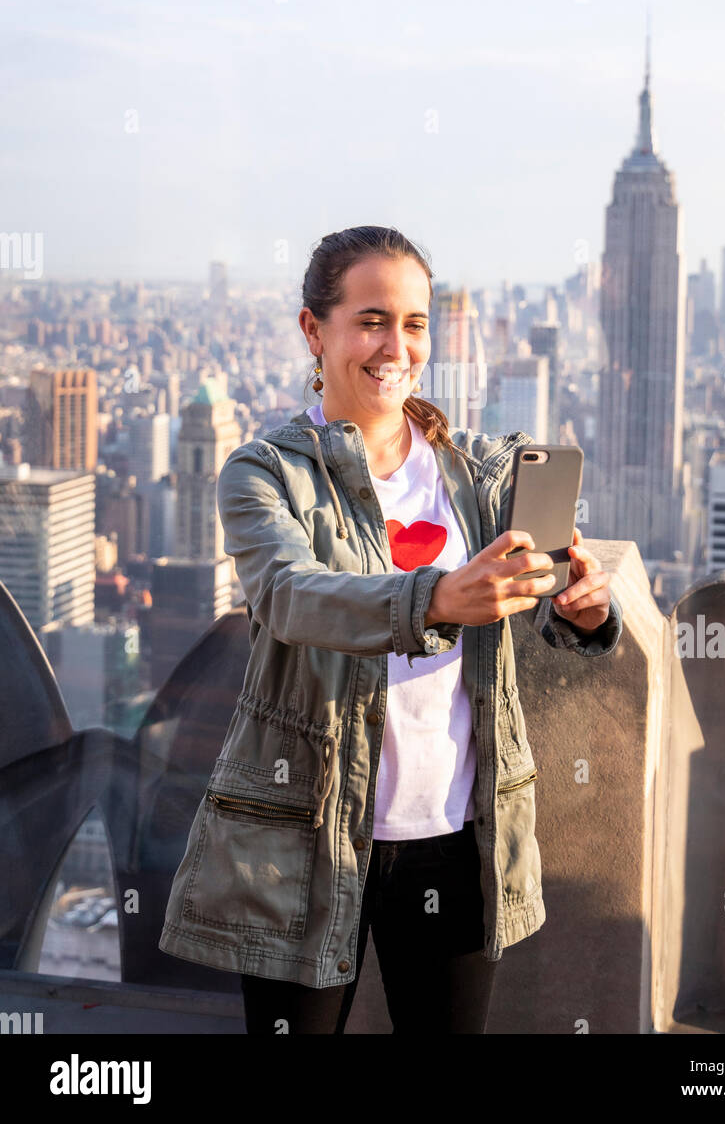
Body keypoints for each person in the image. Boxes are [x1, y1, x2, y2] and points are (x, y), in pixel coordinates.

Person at [158, 225, 622, 1034]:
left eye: (413, 323)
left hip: (456, 832)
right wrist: (436, 600)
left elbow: (546, 580)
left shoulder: (475, 470)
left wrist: (585, 610)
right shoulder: (267, 471)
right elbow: (289, 596)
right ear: (315, 330)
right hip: (304, 834)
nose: (395, 346)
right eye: (371, 320)